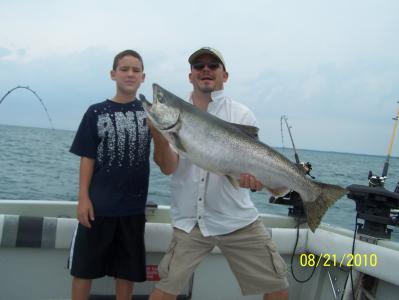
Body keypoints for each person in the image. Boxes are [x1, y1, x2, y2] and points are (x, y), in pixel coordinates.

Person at [149, 47, 289, 300]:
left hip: (237, 220)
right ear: (190, 75)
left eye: (213, 65)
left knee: (277, 287)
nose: (205, 69)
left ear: (225, 76)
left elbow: (253, 175)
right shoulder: (177, 115)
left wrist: (254, 182)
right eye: (198, 66)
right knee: (165, 290)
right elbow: (168, 167)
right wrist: (158, 133)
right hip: (190, 221)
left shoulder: (241, 114)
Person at [68, 49, 151, 300]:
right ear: (113, 74)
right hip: (98, 207)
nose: (130, 74)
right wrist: (83, 198)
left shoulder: (152, 112)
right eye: (124, 69)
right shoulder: (95, 111)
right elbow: (87, 157)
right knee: (83, 270)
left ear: (143, 77)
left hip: (133, 208)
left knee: (126, 273)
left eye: (136, 70)